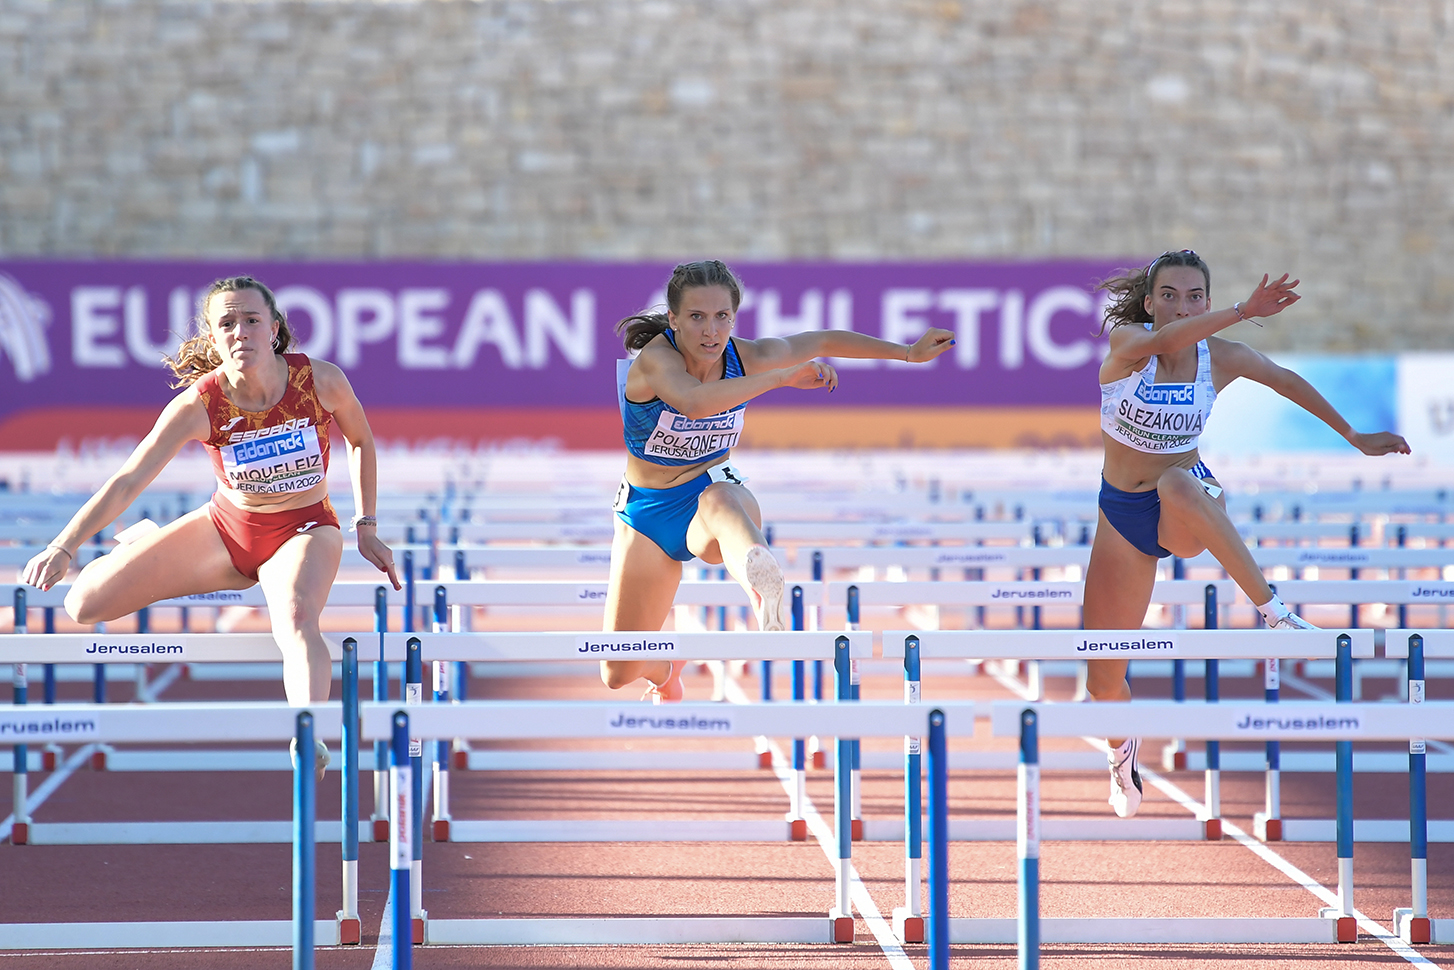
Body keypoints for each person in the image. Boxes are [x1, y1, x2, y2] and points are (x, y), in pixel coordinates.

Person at [22, 276, 401, 773]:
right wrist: (64, 546)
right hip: (227, 530)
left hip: (305, 529)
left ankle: (308, 733)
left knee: (296, 615)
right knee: (83, 605)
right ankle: (140, 547)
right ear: (213, 336)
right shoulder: (199, 404)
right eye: (228, 323)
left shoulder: (319, 381)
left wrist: (366, 524)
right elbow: (128, 479)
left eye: (251, 320)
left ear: (274, 329)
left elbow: (361, 440)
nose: (240, 331)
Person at [1084, 249, 1410, 817]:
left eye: (1194, 297)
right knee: (1103, 683)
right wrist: (1242, 310)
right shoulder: (1128, 345)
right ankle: (1122, 751)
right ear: (1149, 303)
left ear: (1206, 301)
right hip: (1121, 513)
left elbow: (1285, 381)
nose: (1181, 307)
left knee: (1177, 482)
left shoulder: (1223, 357)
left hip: (1187, 503)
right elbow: (1168, 340)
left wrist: (1354, 436)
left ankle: (1275, 612)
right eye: (1169, 296)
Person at [603, 260, 955, 701]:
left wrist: (907, 353)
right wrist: (782, 379)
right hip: (646, 513)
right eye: (696, 317)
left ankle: (762, 587)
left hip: (713, 499)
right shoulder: (657, 360)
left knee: (719, 498)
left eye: (722, 317)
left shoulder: (745, 356)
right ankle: (666, 669)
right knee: (617, 670)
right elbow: (694, 402)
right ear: (673, 319)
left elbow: (823, 340)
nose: (711, 331)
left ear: (734, 318)